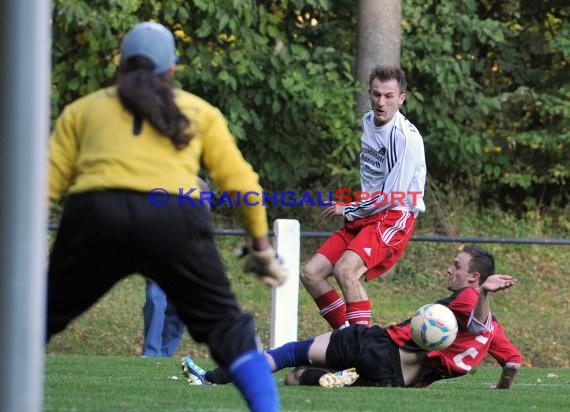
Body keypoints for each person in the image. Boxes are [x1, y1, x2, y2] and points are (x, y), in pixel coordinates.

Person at [46, 21, 287, 412]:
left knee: (34, 315)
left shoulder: (82, 110)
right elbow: (243, 184)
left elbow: (44, 186)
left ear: (121, 65)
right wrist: (261, 248)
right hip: (173, 217)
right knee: (227, 329)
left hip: (95, 213)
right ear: (172, 68)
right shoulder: (198, 111)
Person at [182, 245, 522, 389]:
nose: (450, 268)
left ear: (474, 278)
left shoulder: (469, 297)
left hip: (377, 345)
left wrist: (484, 294)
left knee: (289, 354)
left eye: (458, 266)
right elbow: (513, 364)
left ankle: (210, 377)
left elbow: (475, 318)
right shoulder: (493, 330)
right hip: (393, 382)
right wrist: (499, 389)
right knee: (296, 379)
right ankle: (331, 379)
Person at [302, 65, 427, 329]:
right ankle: (348, 336)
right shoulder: (368, 121)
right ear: (369, 94)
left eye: (389, 96)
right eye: (376, 94)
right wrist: (358, 209)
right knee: (311, 274)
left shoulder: (404, 138)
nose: (382, 102)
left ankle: (363, 350)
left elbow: (393, 196)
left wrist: (349, 209)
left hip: (393, 215)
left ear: (401, 98)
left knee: (346, 271)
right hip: (367, 212)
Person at [141, 178, 211, 358]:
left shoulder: (200, 187)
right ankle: (151, 354)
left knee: (178, 311)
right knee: (156, 301)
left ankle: (164, 355)